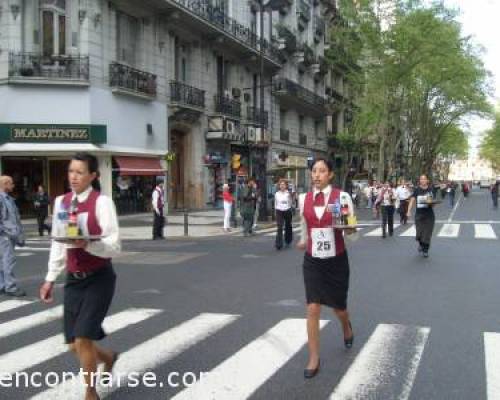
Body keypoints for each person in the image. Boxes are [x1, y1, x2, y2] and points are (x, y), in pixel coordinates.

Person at [39, 152, 121, 400]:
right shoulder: (61, 202)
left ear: (93, 175)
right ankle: (108, 357)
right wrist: (50, 278)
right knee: (73, 344)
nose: (73, 177)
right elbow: (58, 244)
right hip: (74, 279)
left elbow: (114, 245)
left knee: (83, 338)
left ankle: (90, 392)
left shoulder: (102, 202)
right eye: (70, 171)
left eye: (80, 172)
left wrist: (88, 245)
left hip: (99, 278)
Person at [296, 158, 355, 379]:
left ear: (330, 174)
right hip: (313, 260)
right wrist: (303, 240)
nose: (317, 175)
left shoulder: (341, 197)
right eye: (314, 171)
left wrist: (348, 227)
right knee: (313, 307)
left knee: (339, 307)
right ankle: (314, 357)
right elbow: (304, 223)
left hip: (336, 260)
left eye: (322, 171)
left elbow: (351, 232)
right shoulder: (304, 198)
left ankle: (346, 326)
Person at [0, 175, 26, 297]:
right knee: (8, 261)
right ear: (5, 184)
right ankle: (10, 287)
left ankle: (3, 285)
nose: (13, 186)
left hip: (8, 235)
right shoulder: (2, 199)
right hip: (5, 236)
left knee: (2, 261)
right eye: (11, 183)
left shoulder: (8, 199)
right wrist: (5, 232)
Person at [407, 175, 436, 258]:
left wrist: (432, 203)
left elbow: (433, 203)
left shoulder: (431, 189)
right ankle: (421, 243)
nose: (423, 180)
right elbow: (412, 201)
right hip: (419, 215)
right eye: (421, 179)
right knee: (419, 233)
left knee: (427, 234)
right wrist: (408, 211)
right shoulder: (416, 190)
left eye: (424, 179)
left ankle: (425, 250)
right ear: (419, 181)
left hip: (429, 215)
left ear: (427, 180)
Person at [274, 179, 293, 250]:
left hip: (287, 210)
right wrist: (275, 212)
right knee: (279, 227)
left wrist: (291, 197)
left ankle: (288, 240)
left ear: (286, 186)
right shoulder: (276, 194)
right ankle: (278, 244)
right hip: (279, 211)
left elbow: (291, 203)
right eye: (281, 185)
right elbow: (275, 204)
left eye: (283, 185)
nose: (282, 186)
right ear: (279, 186)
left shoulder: (288, 193)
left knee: (288, 225)